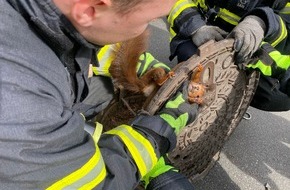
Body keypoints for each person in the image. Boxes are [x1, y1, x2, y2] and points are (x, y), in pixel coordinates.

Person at [0, 0, 199, 189]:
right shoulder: (19, 102)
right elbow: (94, 184)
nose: (149, 26)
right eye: (147, 20)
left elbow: (97, 43)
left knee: (104, 90)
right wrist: (159, 131)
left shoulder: (50, 15)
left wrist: (140, 66)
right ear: (89, 9)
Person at [167, 0, 290, 111]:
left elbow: (287, 27)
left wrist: (261, 23)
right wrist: (196, 28)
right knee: (198, 69)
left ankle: (227, 97)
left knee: (278, 97)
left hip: (246, 47)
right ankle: (194, 92)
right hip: (202, 37)